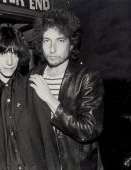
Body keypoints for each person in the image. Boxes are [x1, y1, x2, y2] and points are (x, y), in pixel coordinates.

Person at [28, 9, 104, 170]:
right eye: (46, 40)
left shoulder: (87, 77)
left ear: (71, 44)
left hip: (76, 166)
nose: (52, 49)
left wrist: (50, 99)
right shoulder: (33, 75)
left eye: (60, 40)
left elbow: (89, 130)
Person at [0, 26, 47, 170]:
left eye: (14, 53)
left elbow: (48, 139)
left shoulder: (33, 88)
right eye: (3, 53)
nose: (9, 62)